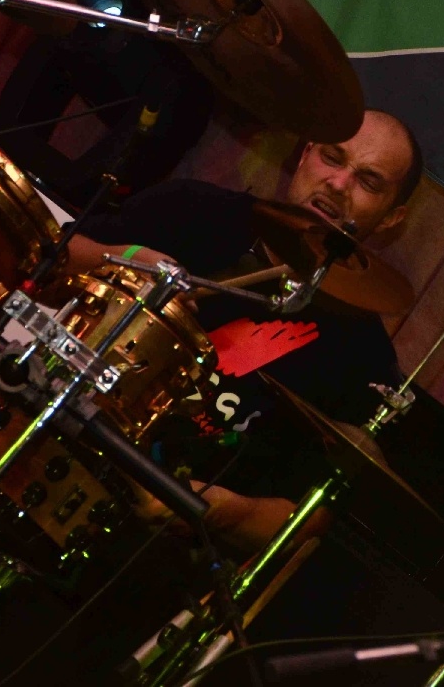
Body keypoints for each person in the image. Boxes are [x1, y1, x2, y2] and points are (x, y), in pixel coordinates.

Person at [59, 108, 423, 552]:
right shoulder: (192, 207)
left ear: (391, 218)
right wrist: (130, 257)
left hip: (155, 545)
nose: (338, 183)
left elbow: (312, 518)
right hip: (59, 429)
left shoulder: (363, 356)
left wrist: (228, 511)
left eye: (368, 181)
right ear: (306, 154)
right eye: (332, 157)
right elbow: (55, 256)